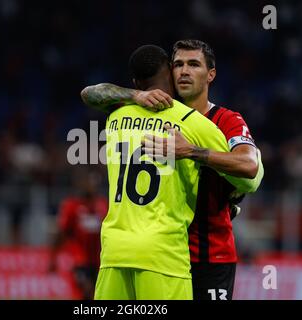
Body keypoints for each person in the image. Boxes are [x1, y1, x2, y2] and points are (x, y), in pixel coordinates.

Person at [81, 39, 264, 300]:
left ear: (210, 74)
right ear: (168, 71)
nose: (184, 71)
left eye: (193, 64)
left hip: (207, 253)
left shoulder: (226, 120)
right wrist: (136, 95)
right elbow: (90, 93)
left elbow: (250, 169)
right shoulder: (152, 110)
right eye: (178, 64)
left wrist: (192, 152)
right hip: (166, 252)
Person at [49, 169, 108, 299]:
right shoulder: (72, 206)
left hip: (99, 261)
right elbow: (61, 233)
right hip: (79, 260)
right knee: (86, 291)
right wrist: (53, 258)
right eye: (87, 181)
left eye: (93, 181)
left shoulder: (103, 205)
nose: (90, 185)